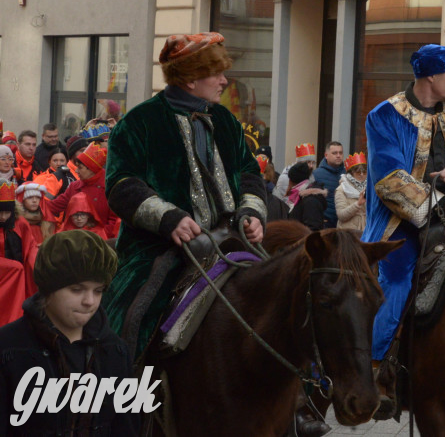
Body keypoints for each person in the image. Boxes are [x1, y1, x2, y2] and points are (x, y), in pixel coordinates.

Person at [102, 32, 268, 363]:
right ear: (191, 78)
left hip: (231, 239)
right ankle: (115, 400)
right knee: (129, 316)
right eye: (216, 73)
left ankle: (302, 404)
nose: (224, 81)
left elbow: (250, 174)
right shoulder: (140, 122)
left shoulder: (226, 121)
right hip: (159, 247)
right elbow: (121, 184)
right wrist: (169, 218)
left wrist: (251, 213)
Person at [363, 42, 445, 420]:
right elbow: (388, 180)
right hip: (398, 223)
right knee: (398, 277)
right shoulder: (383, 116)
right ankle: (374, 369)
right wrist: (439, 200)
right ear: (432, 76)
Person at [0, 229, 138, 436]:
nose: (89, 301)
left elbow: (126, 427)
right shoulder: (8, 348)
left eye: (98, 290)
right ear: (49, 288)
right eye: (77, 289)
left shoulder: (116, 351)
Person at [44, 142, 120, 240]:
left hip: (101, 242)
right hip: (74, 241)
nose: (76, 171)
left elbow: (114, 222)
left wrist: (99, 237)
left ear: (92, 169)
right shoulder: (74, 187)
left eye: (80, 168)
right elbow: (54, 206)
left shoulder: (110, 189)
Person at [0, 182, 38, 326]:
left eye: (7, 212)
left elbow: (30, 248)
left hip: (17, 284)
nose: (3, 217)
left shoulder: (20, 223)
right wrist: (11, 267)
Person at [313, 141, 345, 227]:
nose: (338, 155)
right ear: (326, 155)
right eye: (334, 153)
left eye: (340, 153)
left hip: (344, 223)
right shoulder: (316, 175)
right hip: (325, 223)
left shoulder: (348, 174)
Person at [335, 152, 368, 232]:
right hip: (348, 234)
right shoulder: (342, 189)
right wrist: (358, 204)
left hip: (367, 231)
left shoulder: (371, 188)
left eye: (364, 172)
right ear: (351, 173)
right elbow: (341, 215)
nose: (361, 175)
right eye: (358, 172)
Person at [15, 182, 46, 246]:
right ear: (22, 200)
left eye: (37, 197)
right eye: (30, 197)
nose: (34, 200)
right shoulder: (16, 222)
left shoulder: (46, 219)